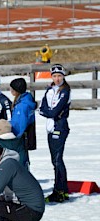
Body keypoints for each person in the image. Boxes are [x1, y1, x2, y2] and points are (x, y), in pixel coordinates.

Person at [39, 64, 71, 203]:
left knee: (58, 160)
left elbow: (54, 111)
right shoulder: (50, 89)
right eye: (54, 76)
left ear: (63, 76)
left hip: (60, 127)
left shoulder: (65, 91)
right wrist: (47, 112)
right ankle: (60, 189)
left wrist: (48, 113)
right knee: (55, 160)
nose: (57, 79)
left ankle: (60, 191)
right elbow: (42, 107)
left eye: (59, 76)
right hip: (50, 127)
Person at [9, 77, 37, 168]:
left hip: (21, 138)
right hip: (24, 137)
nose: (10, 90)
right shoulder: (23, 101)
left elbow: (20, 124)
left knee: (20, 161)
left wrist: (13, 135)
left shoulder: (22, 106)